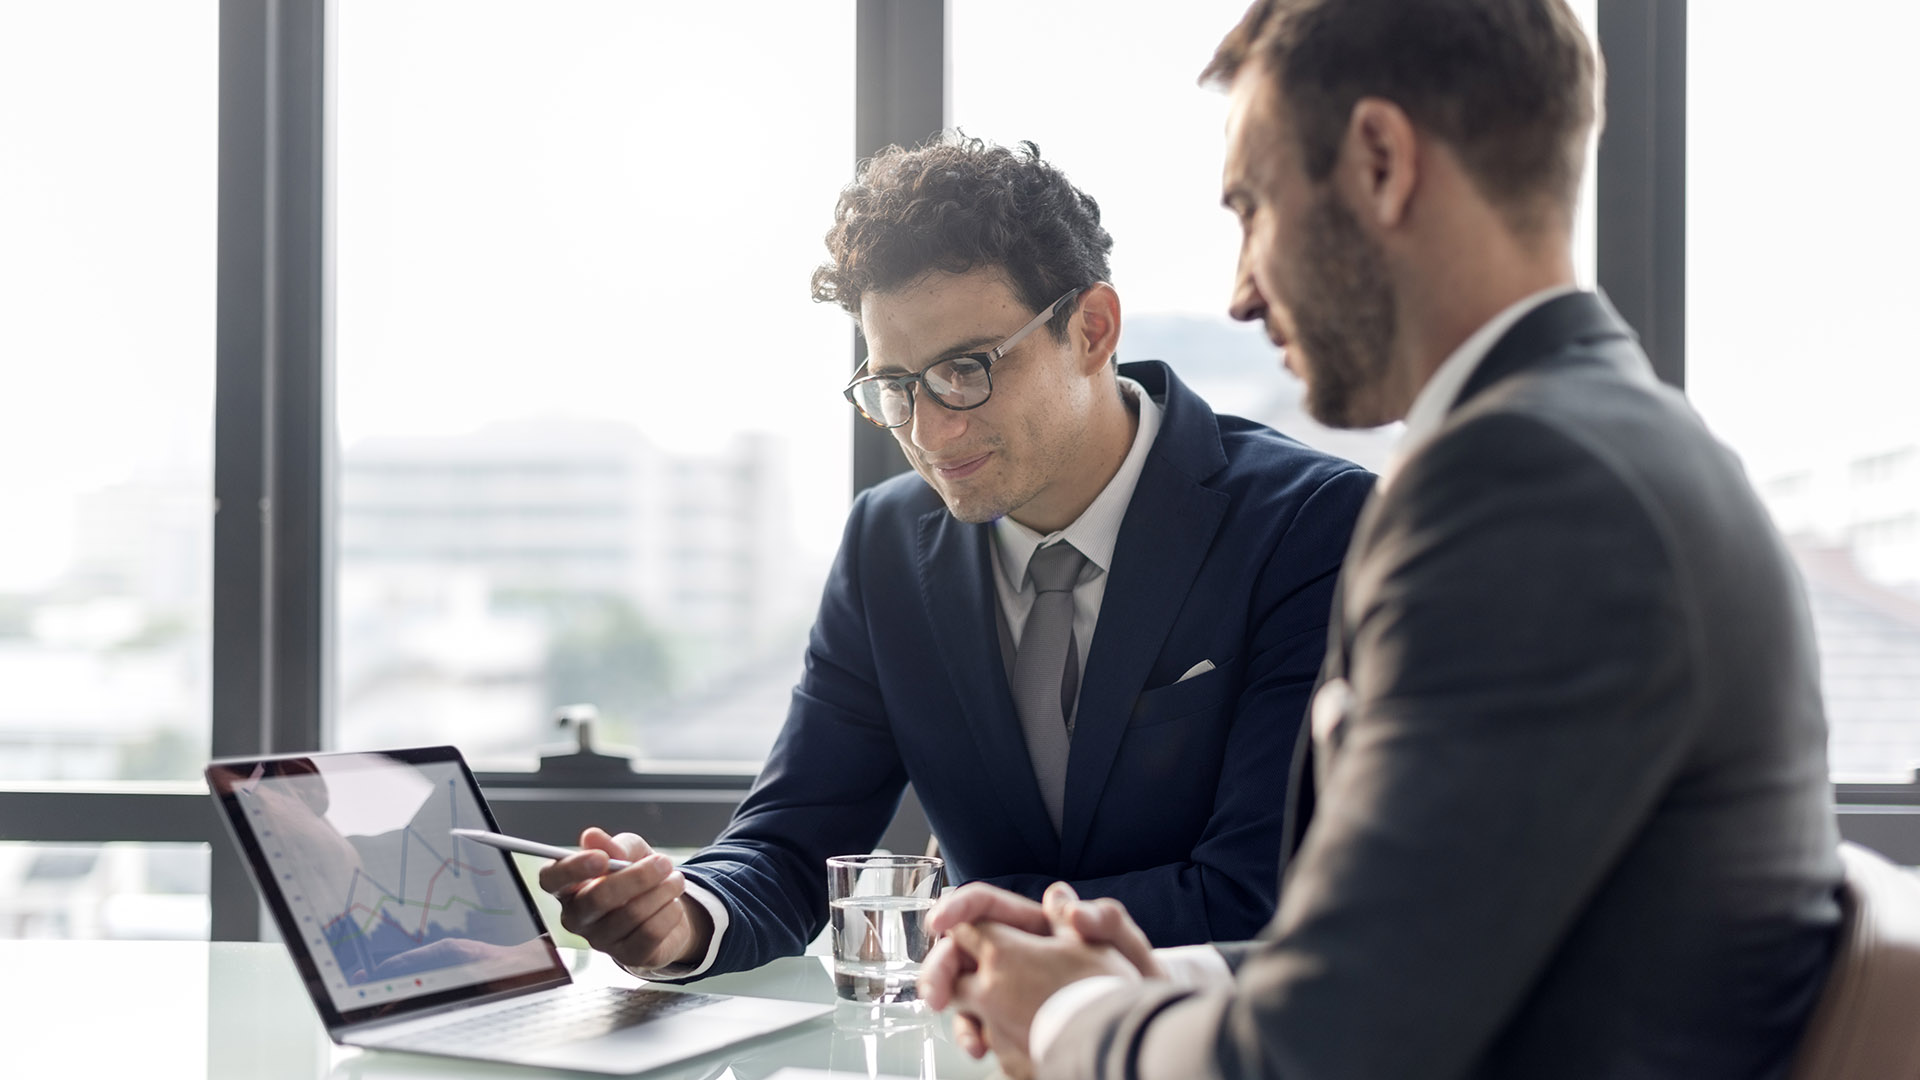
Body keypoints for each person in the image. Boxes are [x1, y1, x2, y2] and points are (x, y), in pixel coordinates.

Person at [918, 2, 1845, 1077]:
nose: (1241, 293)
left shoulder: (1526, 490)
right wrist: (1166, 979)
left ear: (1380, 161)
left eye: (1252, 208)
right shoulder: (1612, 443)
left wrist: (1072, 1021)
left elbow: (1328, 1058)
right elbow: (1433, 944)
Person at [538, 135, 1374, 981]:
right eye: (895, 386)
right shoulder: (886, 545)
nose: (931, 432)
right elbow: (791, 840)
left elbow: (1260, 895)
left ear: (1091, 329)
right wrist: (681, 916)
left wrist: (958, 924)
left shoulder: (1309, 527)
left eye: (966, 370)